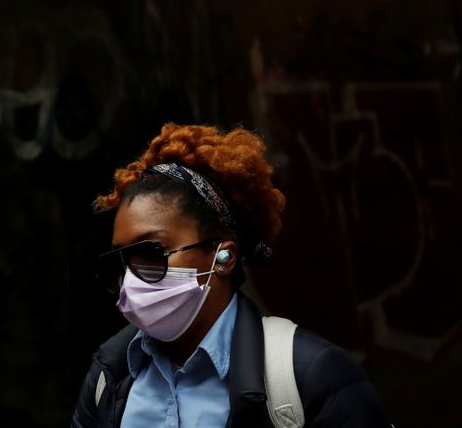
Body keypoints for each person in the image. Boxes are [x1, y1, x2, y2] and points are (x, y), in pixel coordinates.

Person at [71, 123, 390, 427]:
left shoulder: (311, 376)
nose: (132, 279)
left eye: (151, 254)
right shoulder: (108, 378)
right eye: (123, 262)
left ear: (223, 257)